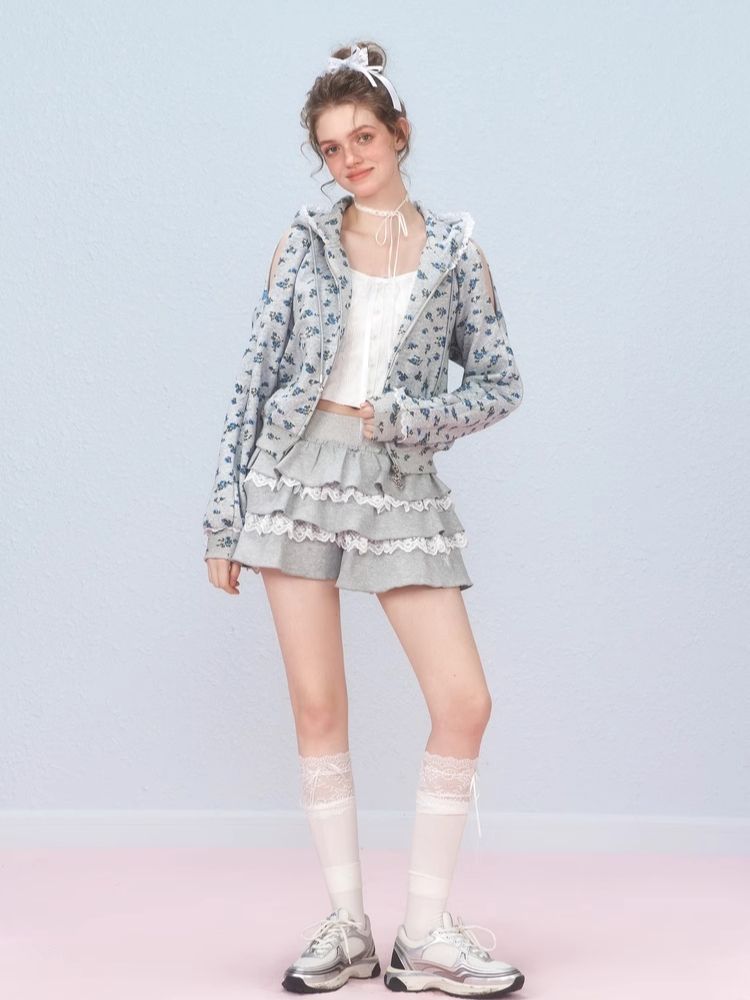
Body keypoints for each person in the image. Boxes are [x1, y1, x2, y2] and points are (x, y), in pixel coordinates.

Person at [202, 40, 525, 997]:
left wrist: (413, 419)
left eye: (363, 138)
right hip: (293, 475)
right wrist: (223, 518)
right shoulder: (299, 245)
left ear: (399, 133)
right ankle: (346, 926)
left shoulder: (458, 252)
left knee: (463, 702)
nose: (349, 158)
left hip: (396, 477)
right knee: (318, 707)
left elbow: (501, 382)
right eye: (331, 148)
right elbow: (253, 383)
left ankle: (424, 934)